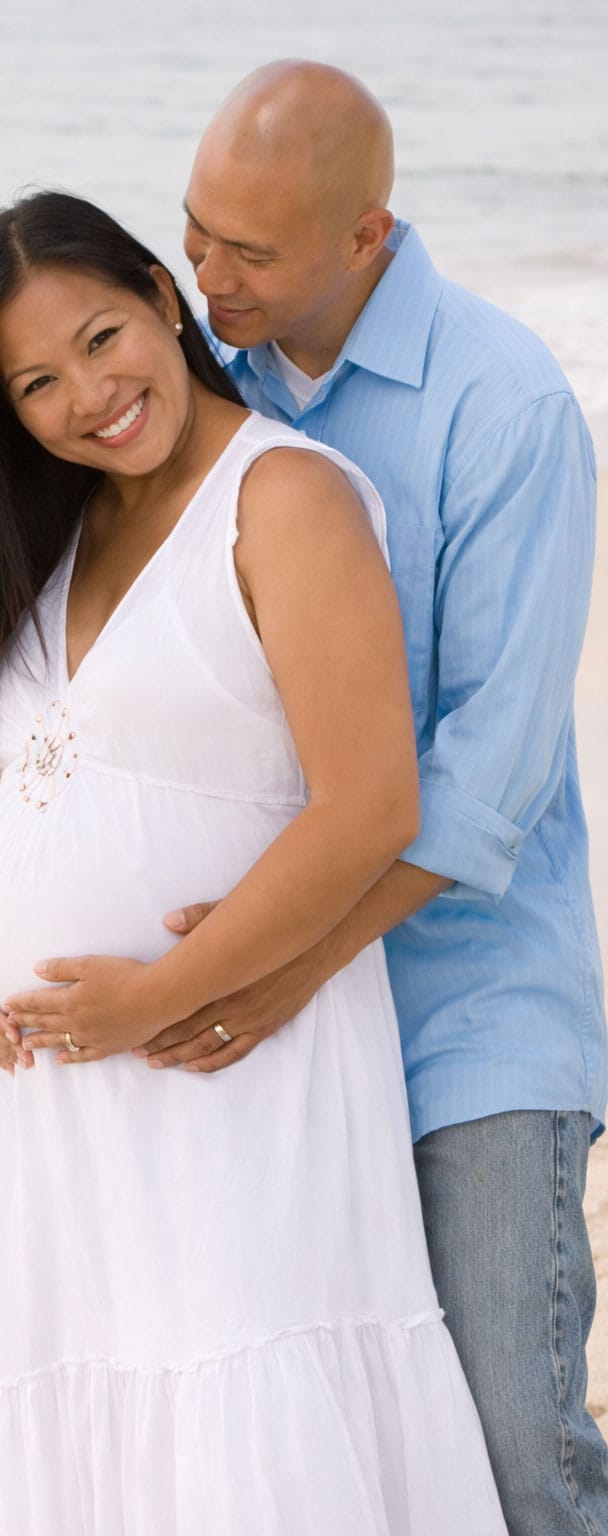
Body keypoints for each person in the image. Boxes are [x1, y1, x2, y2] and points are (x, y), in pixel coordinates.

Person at [0, 189, 506, 1533]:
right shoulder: (61, 524)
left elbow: (369, 806)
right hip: (61, 1100)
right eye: (38, 383)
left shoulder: (282, 499)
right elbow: (20, 757)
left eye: (105, 337)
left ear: (166, 300)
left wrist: (157, 994)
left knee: (252, 1399)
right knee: (112, 1410)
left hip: (228, 1053)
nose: (90, 396)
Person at [121, 60, 604, 1536]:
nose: (206, 277)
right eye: (195, 232)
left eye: (248, 252)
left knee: (520, 1440)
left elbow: (492, 778)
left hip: (470, 1002)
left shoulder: (506, 406)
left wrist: (285, 966)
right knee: (335, 1450)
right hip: (266, 1011)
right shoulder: (202, 387)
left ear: (366, 237)